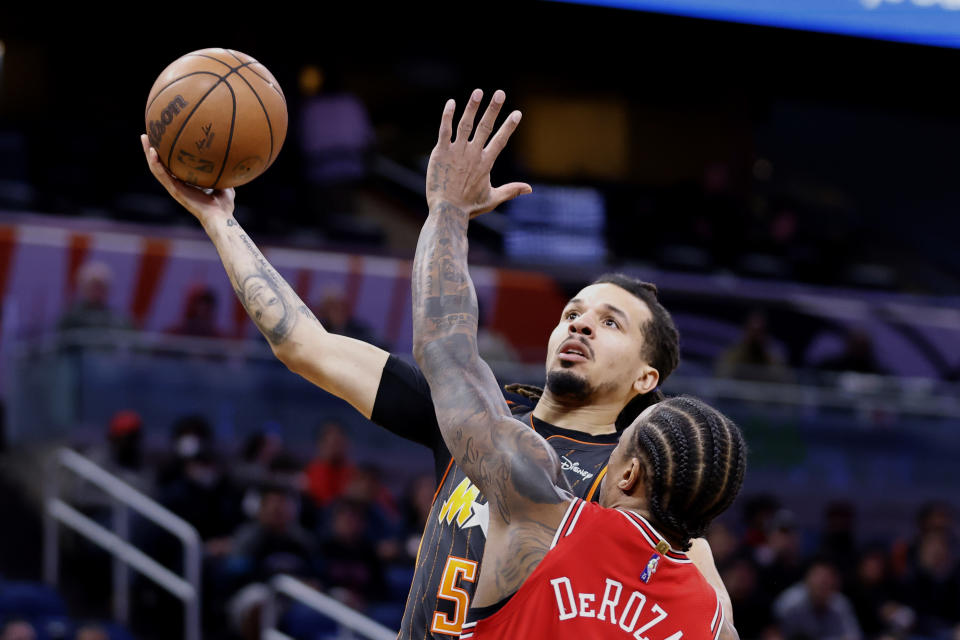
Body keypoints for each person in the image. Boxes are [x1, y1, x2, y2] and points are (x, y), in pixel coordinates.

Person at [139, 87, 734, 639]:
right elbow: (306, 344)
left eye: (611, 323)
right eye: (574, 311)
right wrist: (221, 223)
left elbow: (711, 616)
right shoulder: (478, 413)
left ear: (646, 378)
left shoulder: (640, 491)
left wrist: (446, 209)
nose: (579, 323)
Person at [409, 92, 747, 638]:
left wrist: (447, 208)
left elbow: (444, 349)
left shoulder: (545, 512)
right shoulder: (708, 617)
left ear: (629, 472)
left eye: (623, 443)